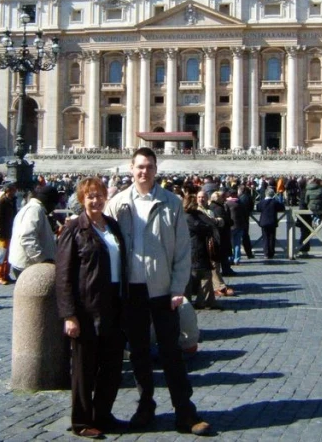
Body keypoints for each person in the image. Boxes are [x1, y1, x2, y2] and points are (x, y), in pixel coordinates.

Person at [105, 148, 210, 436]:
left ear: (155, 169)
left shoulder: (171, 202)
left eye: (149, 166)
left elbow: (182, 250)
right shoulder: (117, 204)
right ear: (131, 168)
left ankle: (185, 412)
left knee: (171, 352)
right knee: (138, 352)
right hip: (131, 291)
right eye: (140, 166)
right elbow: (106, 246)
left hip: (163, 289)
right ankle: (145, 406)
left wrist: (178, 288)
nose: (144, 172)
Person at [56, 177, 127, 439]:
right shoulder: (74, 229)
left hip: (114, 303)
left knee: (112, 365)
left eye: (99, 196)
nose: (95, 200)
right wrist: (69, 315)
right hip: (86, 307)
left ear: (106, 197)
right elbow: (63, 275)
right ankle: (82, 421)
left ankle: (103, 415)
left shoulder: (113, 227)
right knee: (85, 368)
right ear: (82, 199)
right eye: (90, 196)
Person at [8, 185, 59, 279]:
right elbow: (27, 237)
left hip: (28, 264)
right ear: (48, 201)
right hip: (29, 266)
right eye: (54, 205)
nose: (53, 208)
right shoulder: (35, 210)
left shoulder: (32, 208)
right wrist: (43, 260)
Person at [183, 193, 219, 310]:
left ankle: (207, 301)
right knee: (203, 275)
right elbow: (203, 227)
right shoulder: (190, 217)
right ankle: (200, 301)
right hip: (196, 249)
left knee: (196, 276)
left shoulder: (187, 215)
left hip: (193, 249)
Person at [0, 182, 17, 285]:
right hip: (3, 233)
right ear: (8, 191)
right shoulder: (1, 202)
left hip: (10, 231)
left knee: (9, 255)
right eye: (13, 190)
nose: (15, 192)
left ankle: (6, 274)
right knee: (2, 255)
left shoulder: (12, 201)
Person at [259, 187, 285, 259]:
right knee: (271, 238)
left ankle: (266, 253)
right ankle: (271, 253)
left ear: (265, 194)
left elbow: (258, 208)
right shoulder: (275, 202)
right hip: (272, 222)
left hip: (264, 222)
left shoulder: (262, 202)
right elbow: (282, 207)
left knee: (265, 238)